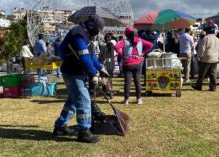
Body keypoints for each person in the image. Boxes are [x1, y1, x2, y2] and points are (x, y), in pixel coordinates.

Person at [53, 15, 109, 143]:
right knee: (84, 100)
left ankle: (60, 126)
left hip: (76, 72)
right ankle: (84, 131)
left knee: (73, 101)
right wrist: (93, 73)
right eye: (97, 30)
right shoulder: (78, 34)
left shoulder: (86, 35)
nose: (97, 33)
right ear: (92, 27)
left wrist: (100, 67)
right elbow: (84, 57)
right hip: (72, 72)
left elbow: (91, 55)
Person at [114, 26, 153, 105]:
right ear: (135, 33)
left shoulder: (124, 41)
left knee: (128, 82)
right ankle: (139, 99)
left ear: (126, 34)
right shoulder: (140, 40)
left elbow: (116, 47)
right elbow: (150, 45)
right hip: (138, 63)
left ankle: (126, 100)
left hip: (127, 63)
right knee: (137, 81)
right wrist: (143, 53)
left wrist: (122, 55)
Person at [192, 26, 219, 91]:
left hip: (206, 58)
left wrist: (199, 57)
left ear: (207, 31)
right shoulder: (217, 39)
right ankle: (213, 87)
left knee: (202, 74)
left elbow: (202, 49)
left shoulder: (205, 38)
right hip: (215, 58)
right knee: (213, 74)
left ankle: (198, 86)